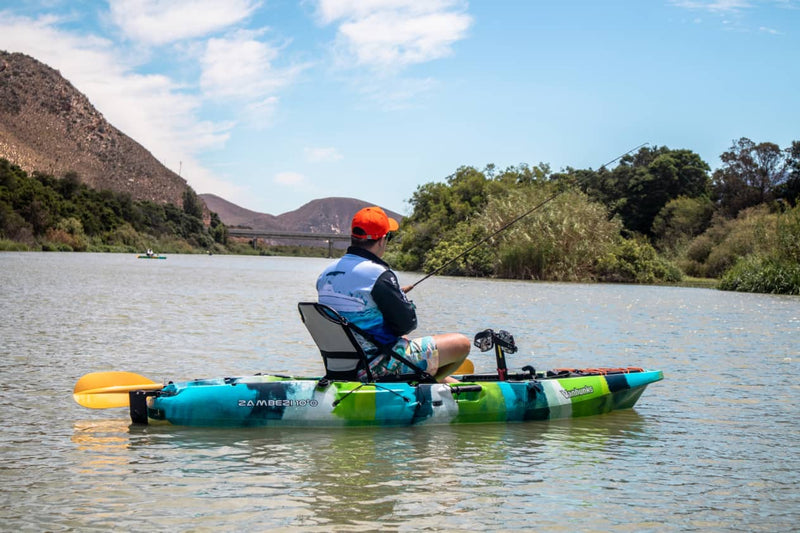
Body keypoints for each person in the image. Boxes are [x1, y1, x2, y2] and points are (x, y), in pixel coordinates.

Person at [317, 206, 471, 383]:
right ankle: (430, 385)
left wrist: (391, 295)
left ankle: (443, 383)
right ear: (382, 240)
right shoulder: (378, 275)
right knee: (461, 344)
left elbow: (351, 311)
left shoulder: (325, 275)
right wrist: (399, 297)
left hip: (341, 367)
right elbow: (406, 324)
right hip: (375, 366)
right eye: (389, 237)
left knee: (401, 340)